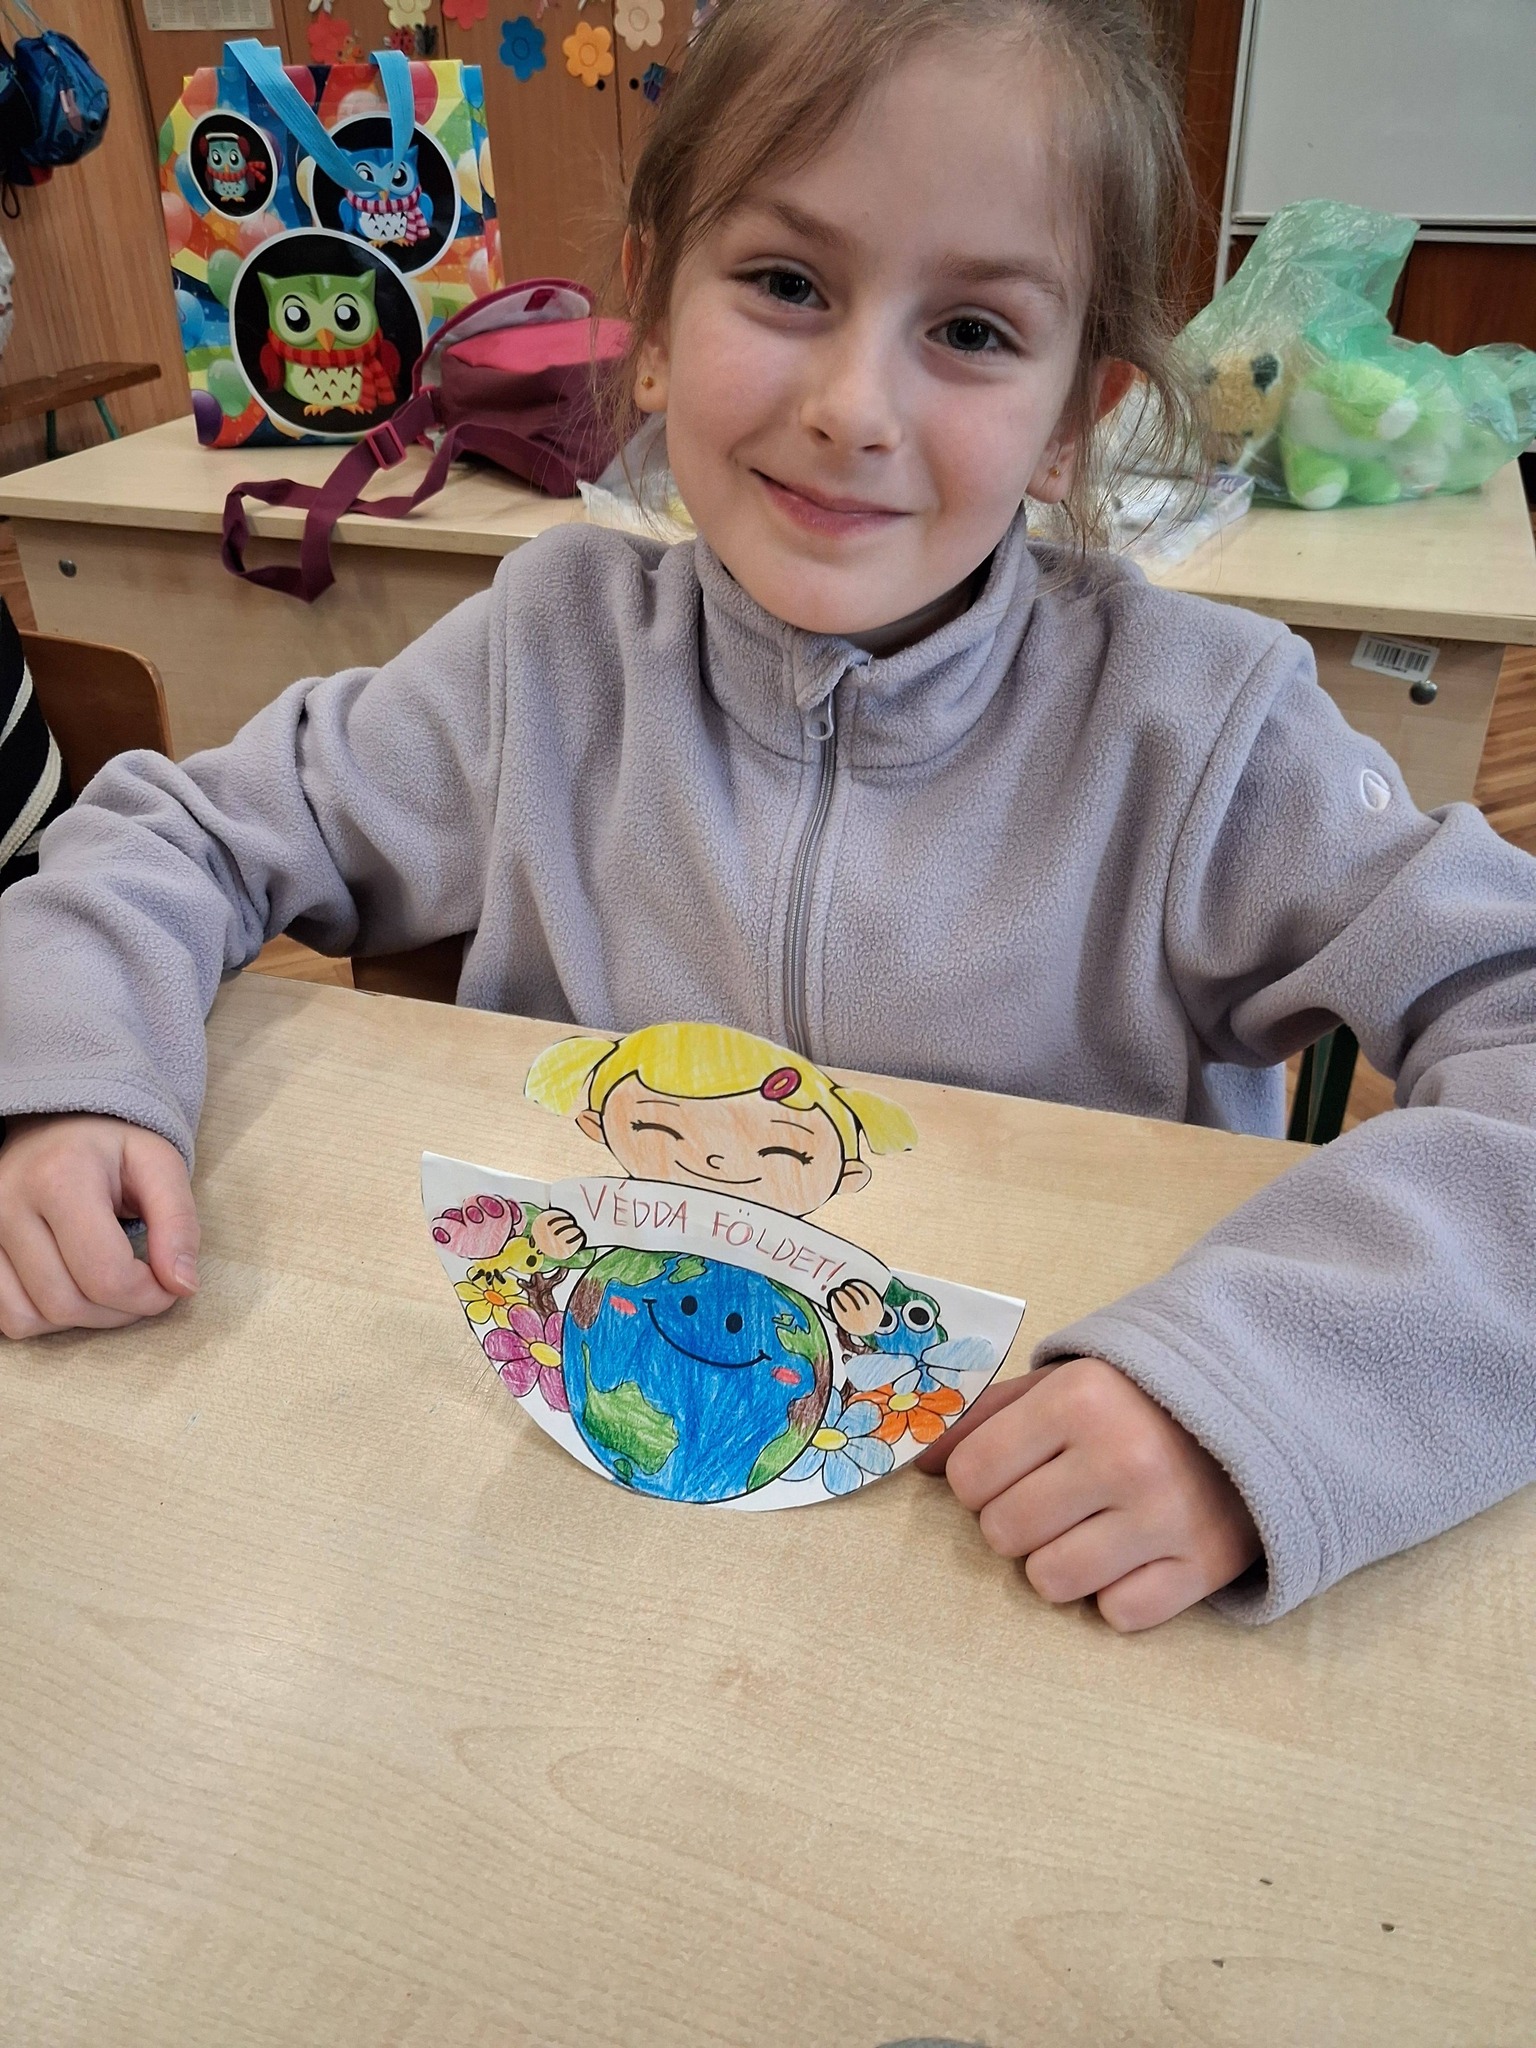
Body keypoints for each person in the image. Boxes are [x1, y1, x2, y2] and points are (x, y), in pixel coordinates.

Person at [1, 0, 1533, 1630]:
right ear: (656, 316)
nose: (854, 406)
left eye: (973, 331)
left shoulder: (1199, 729)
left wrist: (1256, 1398)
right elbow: (178, 833)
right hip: (565, 1556)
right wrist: (69, 1079)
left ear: (1072, 424)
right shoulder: (547, 655)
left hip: (1007, 1579)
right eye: (789, 285)